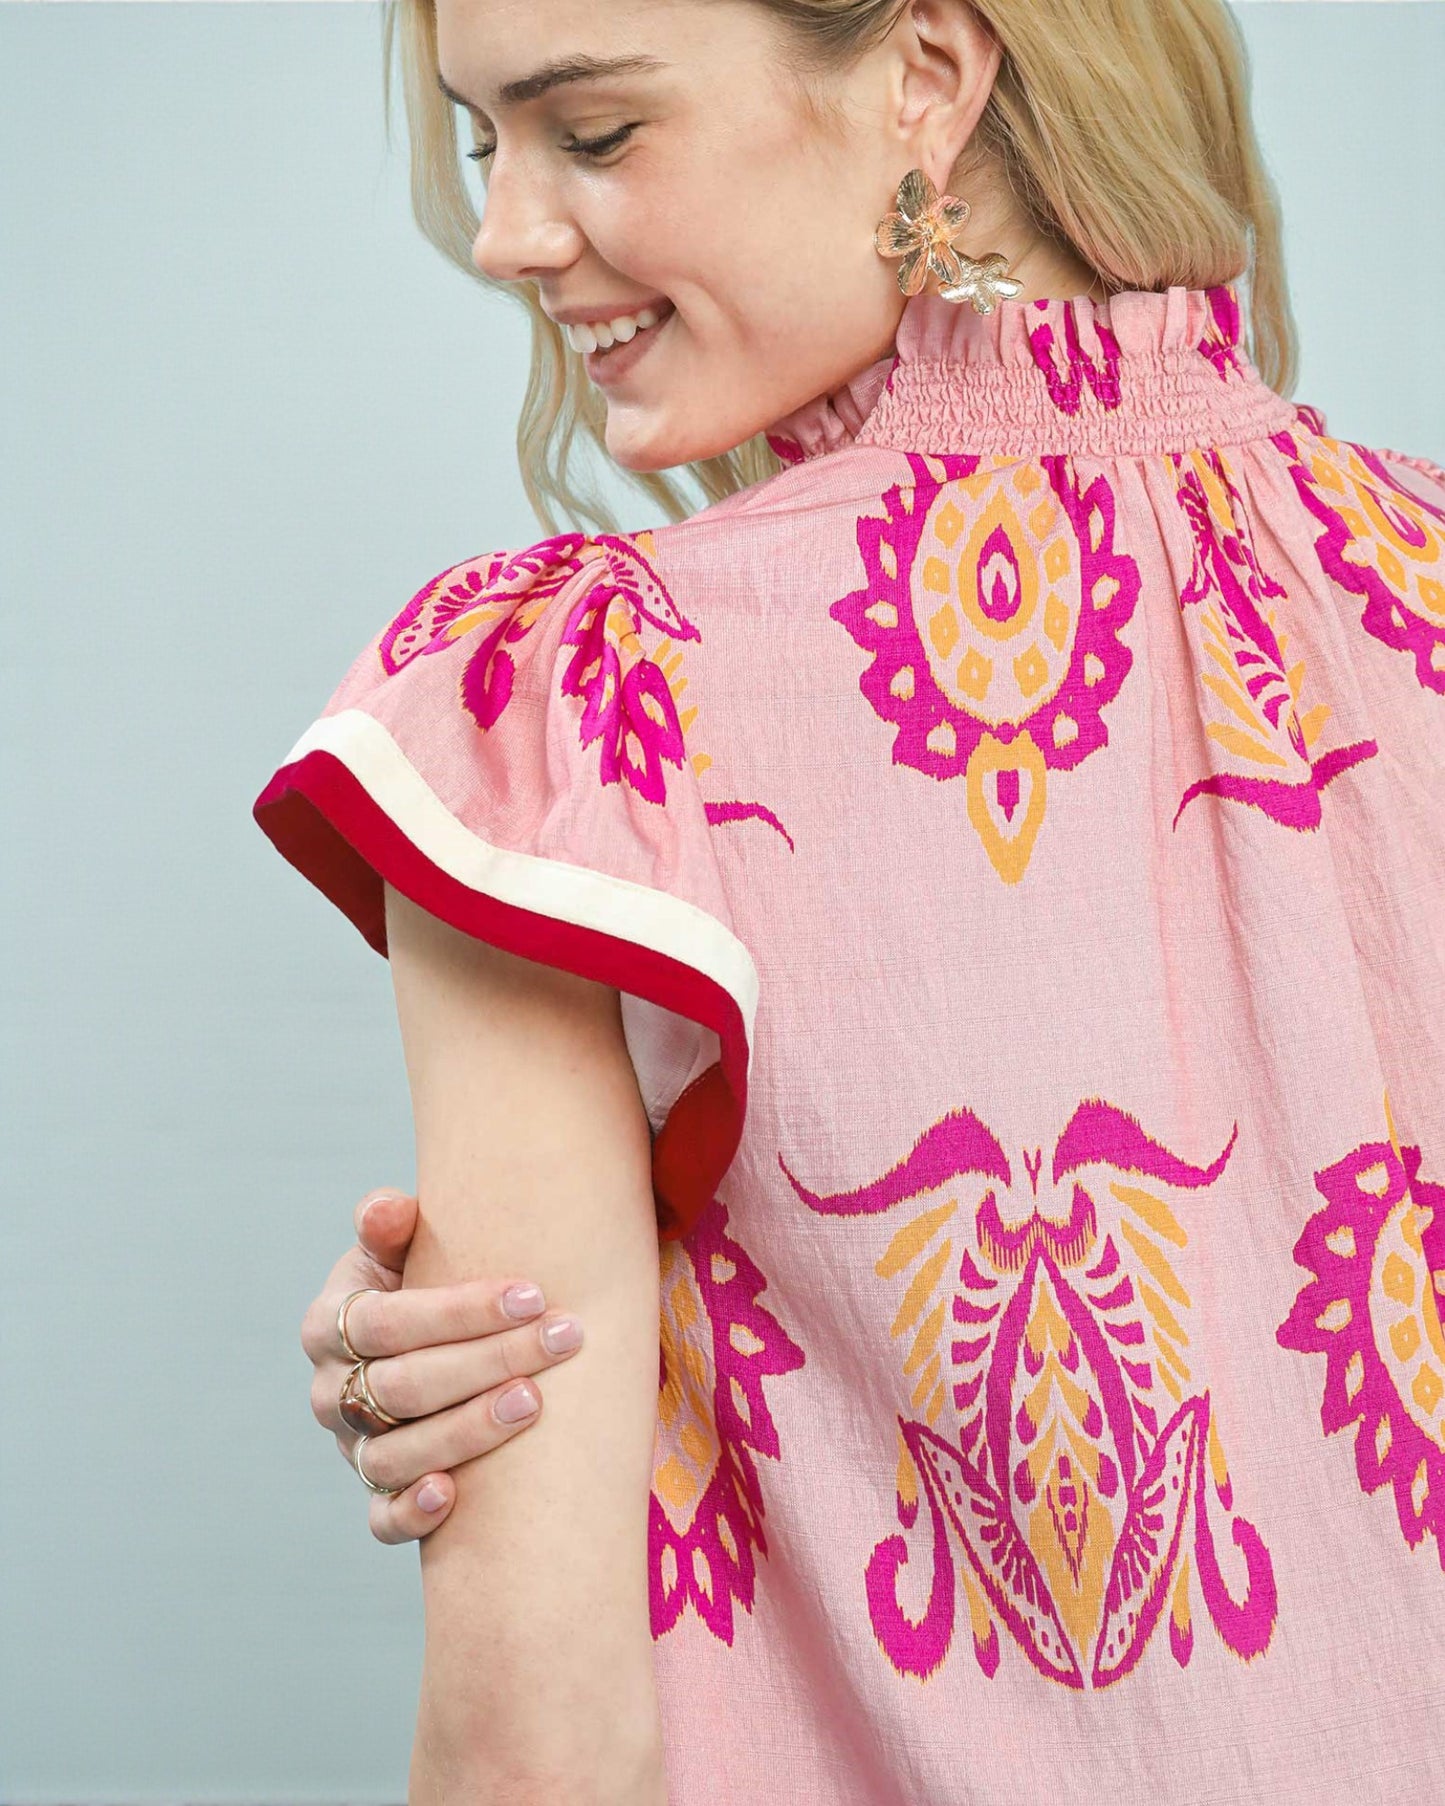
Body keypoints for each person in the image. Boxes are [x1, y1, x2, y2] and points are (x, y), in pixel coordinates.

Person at [259, 0, 1445, 1797]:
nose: (502, 232)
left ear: (924, 79)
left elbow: (535, 1745)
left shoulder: (573, 711)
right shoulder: (1416, 586)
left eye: (588, 135)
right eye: (486, 139)